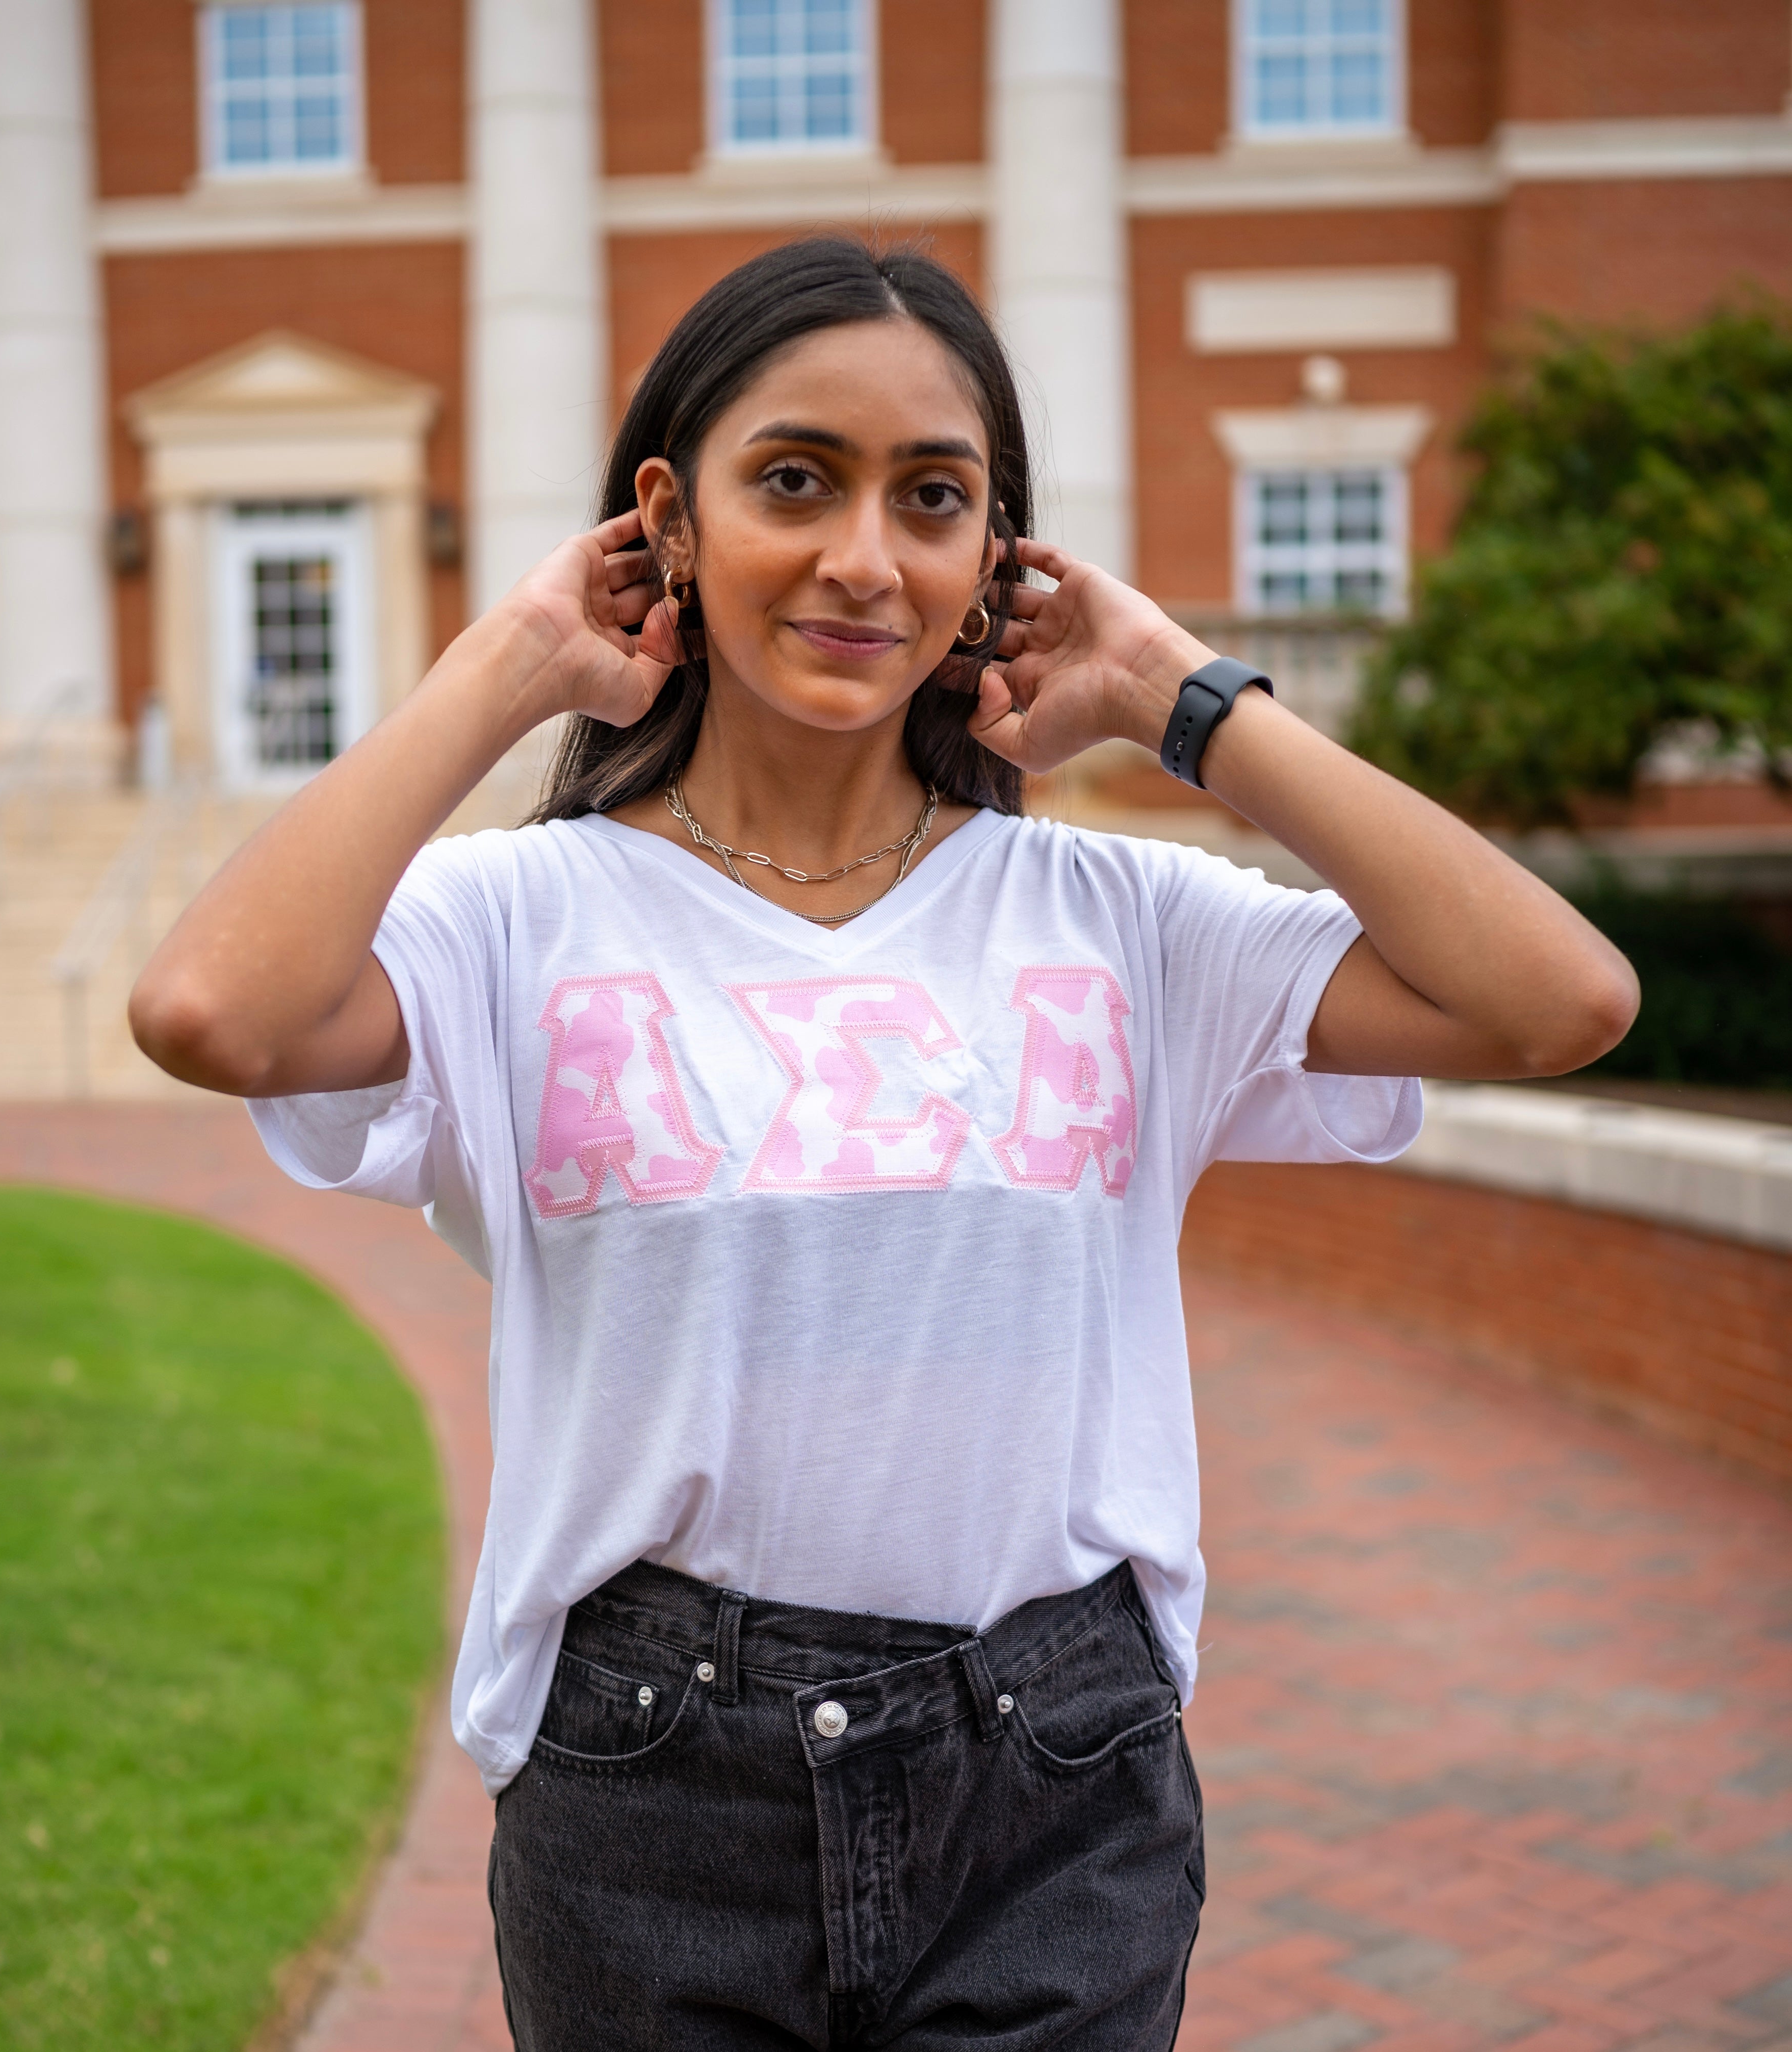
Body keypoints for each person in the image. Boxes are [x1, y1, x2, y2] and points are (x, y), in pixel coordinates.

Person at [130, 239, 1636, 2049]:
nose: (864, 558)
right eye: (795, 481)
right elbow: (212, 1009)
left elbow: (1560, 1000)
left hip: (1056, 1778)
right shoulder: (511, 920)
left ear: (997, 559)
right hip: (648, 1787)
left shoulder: (1120, 919)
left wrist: (1181, 694)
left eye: (934, 499)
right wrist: (515, 661)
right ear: (666, 520)